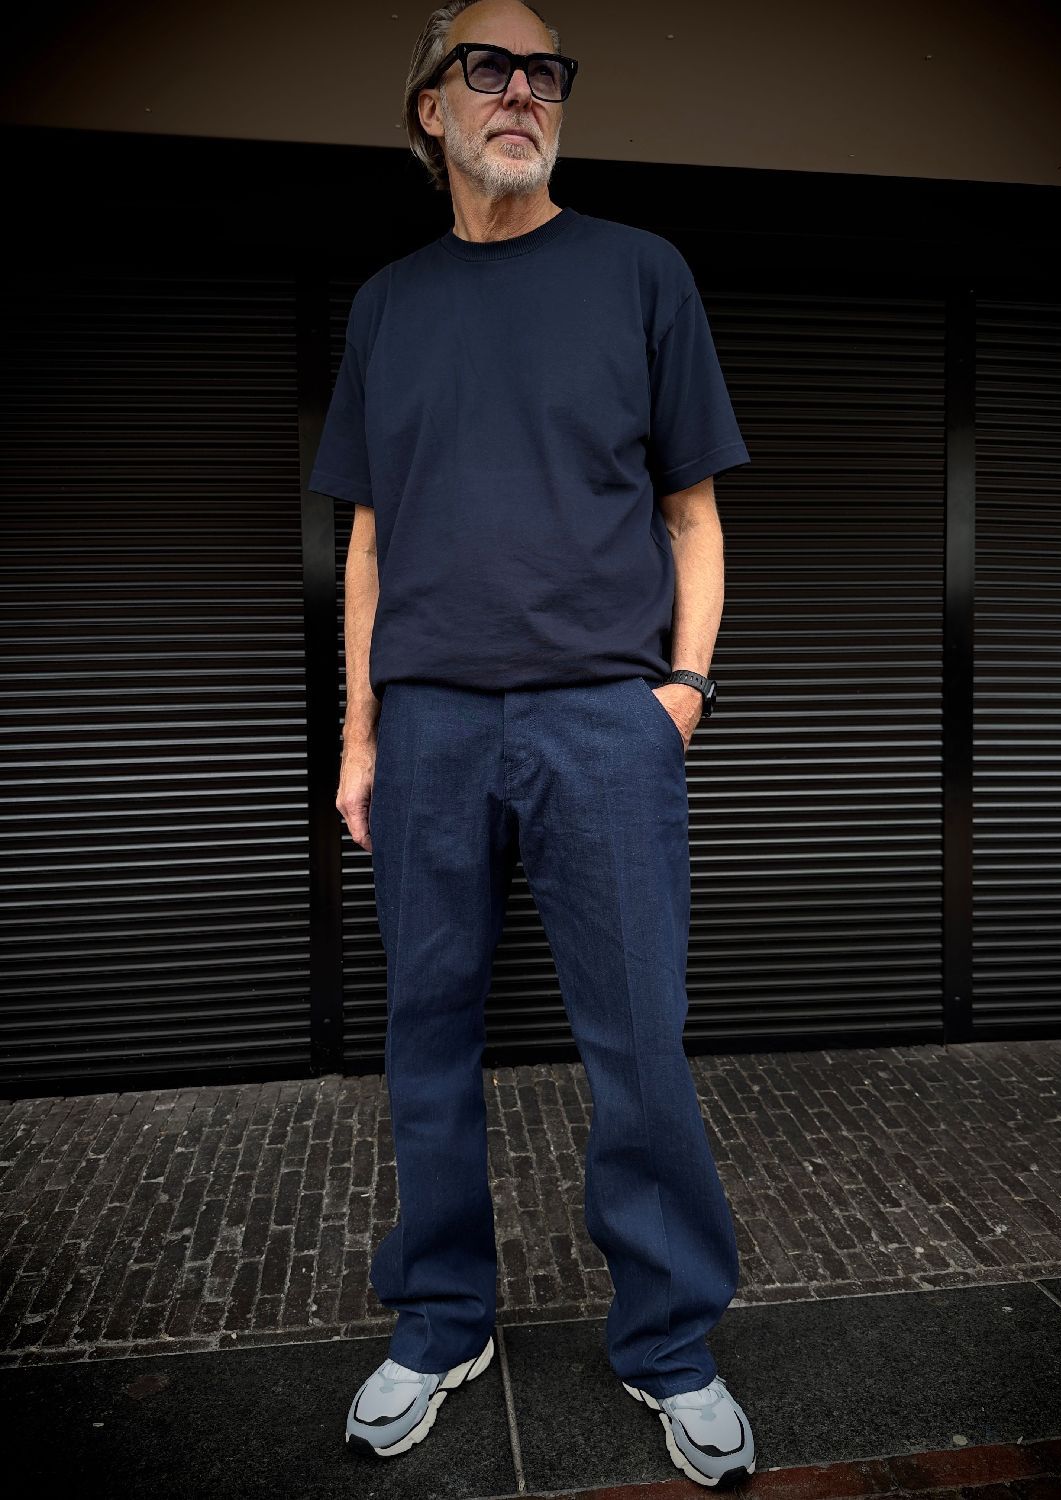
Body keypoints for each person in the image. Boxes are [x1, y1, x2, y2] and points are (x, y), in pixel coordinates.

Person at [308, 0, 755, 1486]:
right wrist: (361, 734)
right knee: (427, 1037)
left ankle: (671, 1344)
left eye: (542, 73)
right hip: (431, 725)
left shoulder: (640, 272)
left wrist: (680, 695)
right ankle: (441, 1321)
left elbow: (692, 513)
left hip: (602, 723)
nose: (520, 92)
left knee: (639, 1043)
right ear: (429, 111)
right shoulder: (387, 306)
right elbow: (371, 538)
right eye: (486, 70)